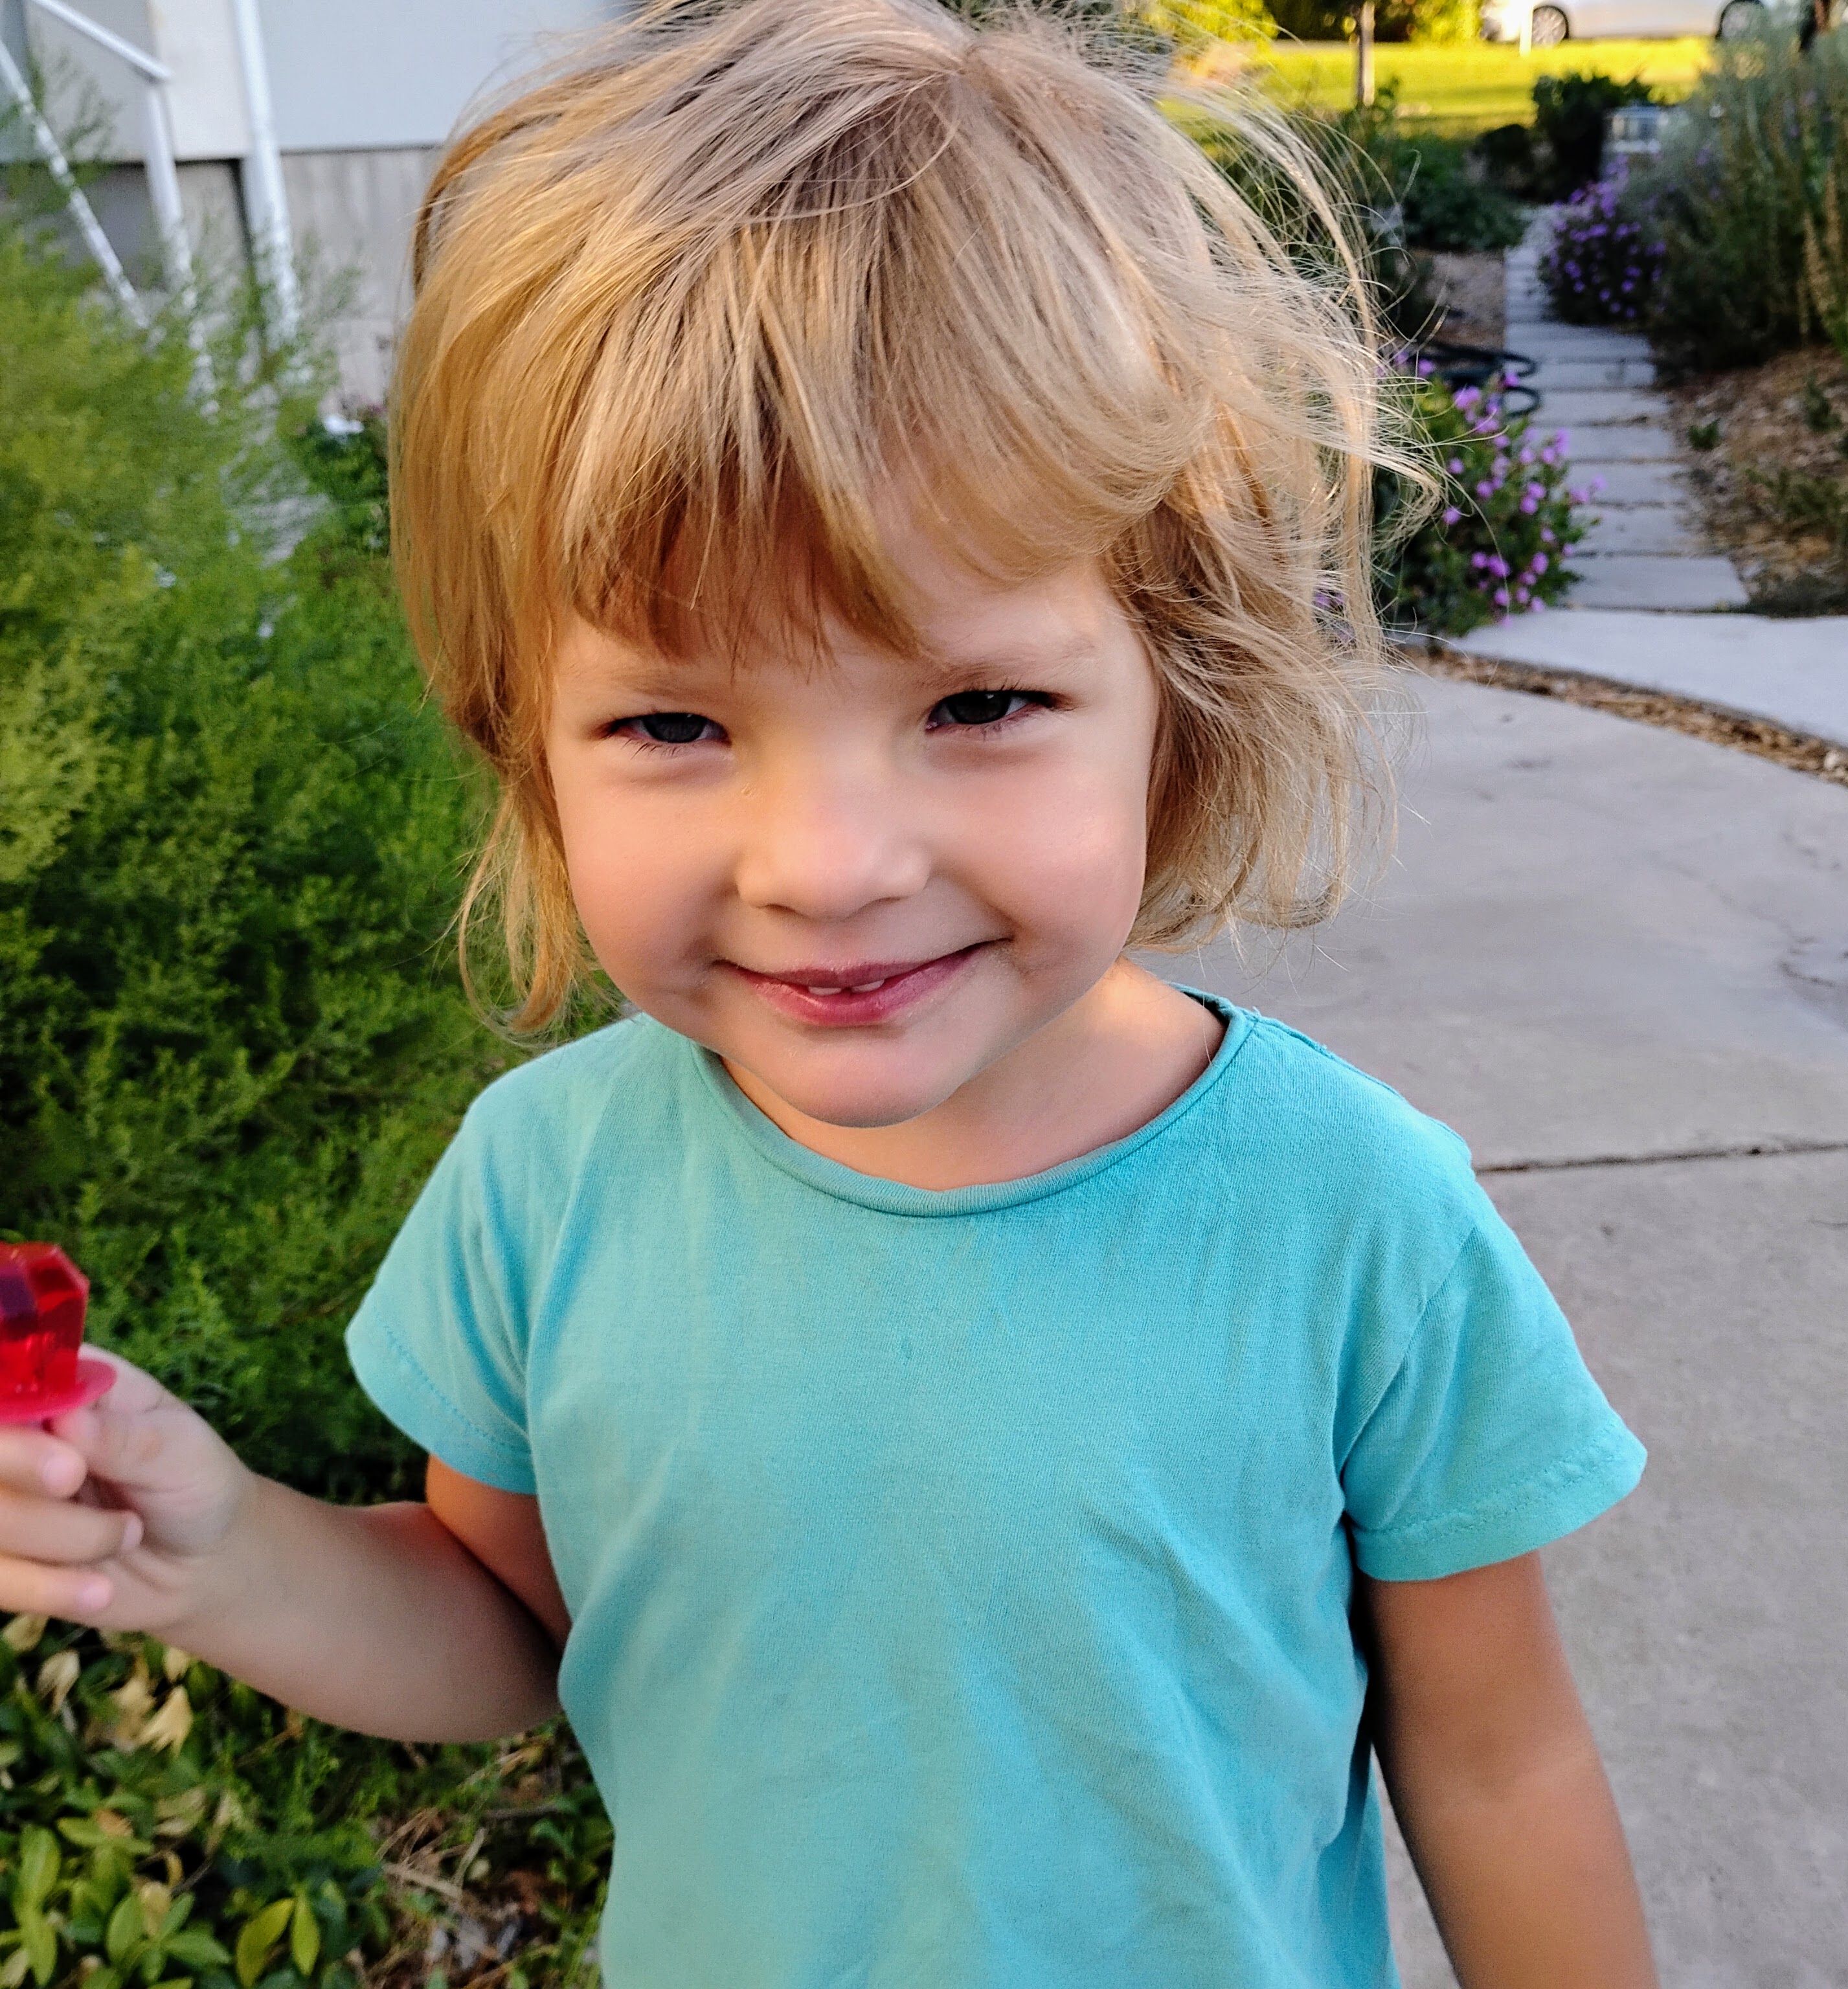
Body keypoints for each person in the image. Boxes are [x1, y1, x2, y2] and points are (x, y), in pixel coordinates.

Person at [0, 1, 1658, 1982]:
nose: (827, 863)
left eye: (978, 702)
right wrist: (219, 1552)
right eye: (675, 723)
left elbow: (1495, 1764)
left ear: (1183, 697)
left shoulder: (1354, 1219)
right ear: (526, 740)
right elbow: (509, 1629)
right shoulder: (547, 1185)